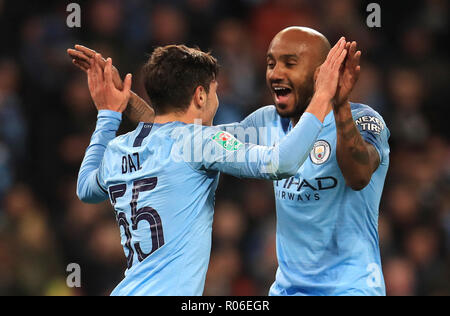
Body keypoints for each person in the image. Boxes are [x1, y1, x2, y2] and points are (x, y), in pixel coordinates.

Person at [70, 26, 389, 296]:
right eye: (270, 63)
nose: (275, 73)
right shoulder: (264, 122)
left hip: (350, 287)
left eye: (289, 63)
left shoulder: (363, 119)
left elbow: (359, 175)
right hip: (288, 289)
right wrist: (126, 104)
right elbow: (177, 137)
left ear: (322, 72)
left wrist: (339, 103)